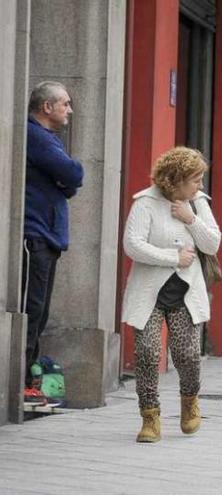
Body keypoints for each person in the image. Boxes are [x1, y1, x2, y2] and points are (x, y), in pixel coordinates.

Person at [121, 147, 221, 443]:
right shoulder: (146, 203)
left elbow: (213, 244)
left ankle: (190, 401)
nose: (200, 186)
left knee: (187, 355)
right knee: (148, 354)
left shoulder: (198, 203)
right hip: (149, 294)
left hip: (185, 294)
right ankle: (150, 417)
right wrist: (172, 257)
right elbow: (132, 244)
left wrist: (191, 219)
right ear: (175, 179)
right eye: (196, 179)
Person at [22, 81, 83, 404]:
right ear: (47, 107)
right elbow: (72, 174)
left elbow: (70, 184)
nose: (70, 110)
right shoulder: (37, 136)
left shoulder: (48, 140)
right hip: (37, 236)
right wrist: (66, 177)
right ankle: (23, 385)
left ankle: (29, 383)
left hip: (49, 237)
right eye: (66, 104)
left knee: (39, 313)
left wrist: (66, 179)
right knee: (31, 312)